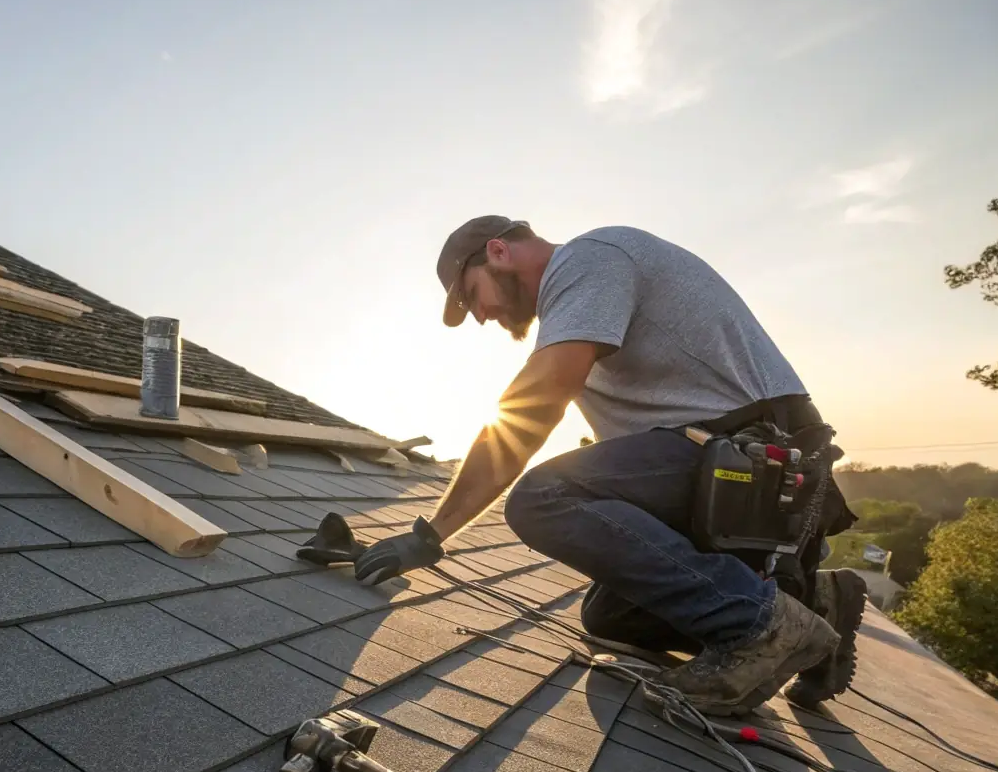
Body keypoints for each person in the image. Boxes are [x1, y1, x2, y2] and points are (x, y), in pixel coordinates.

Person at [353, 216, 861, 716]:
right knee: (609, 617)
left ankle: (760, 624)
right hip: (732, 473)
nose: (481, 317)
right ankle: (807, 596)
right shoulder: (578, 308)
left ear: (498, 252)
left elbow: (536, 404)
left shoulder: (589, 258)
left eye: (471, 294)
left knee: (542, 497)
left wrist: (432, 533)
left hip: (757, 461)